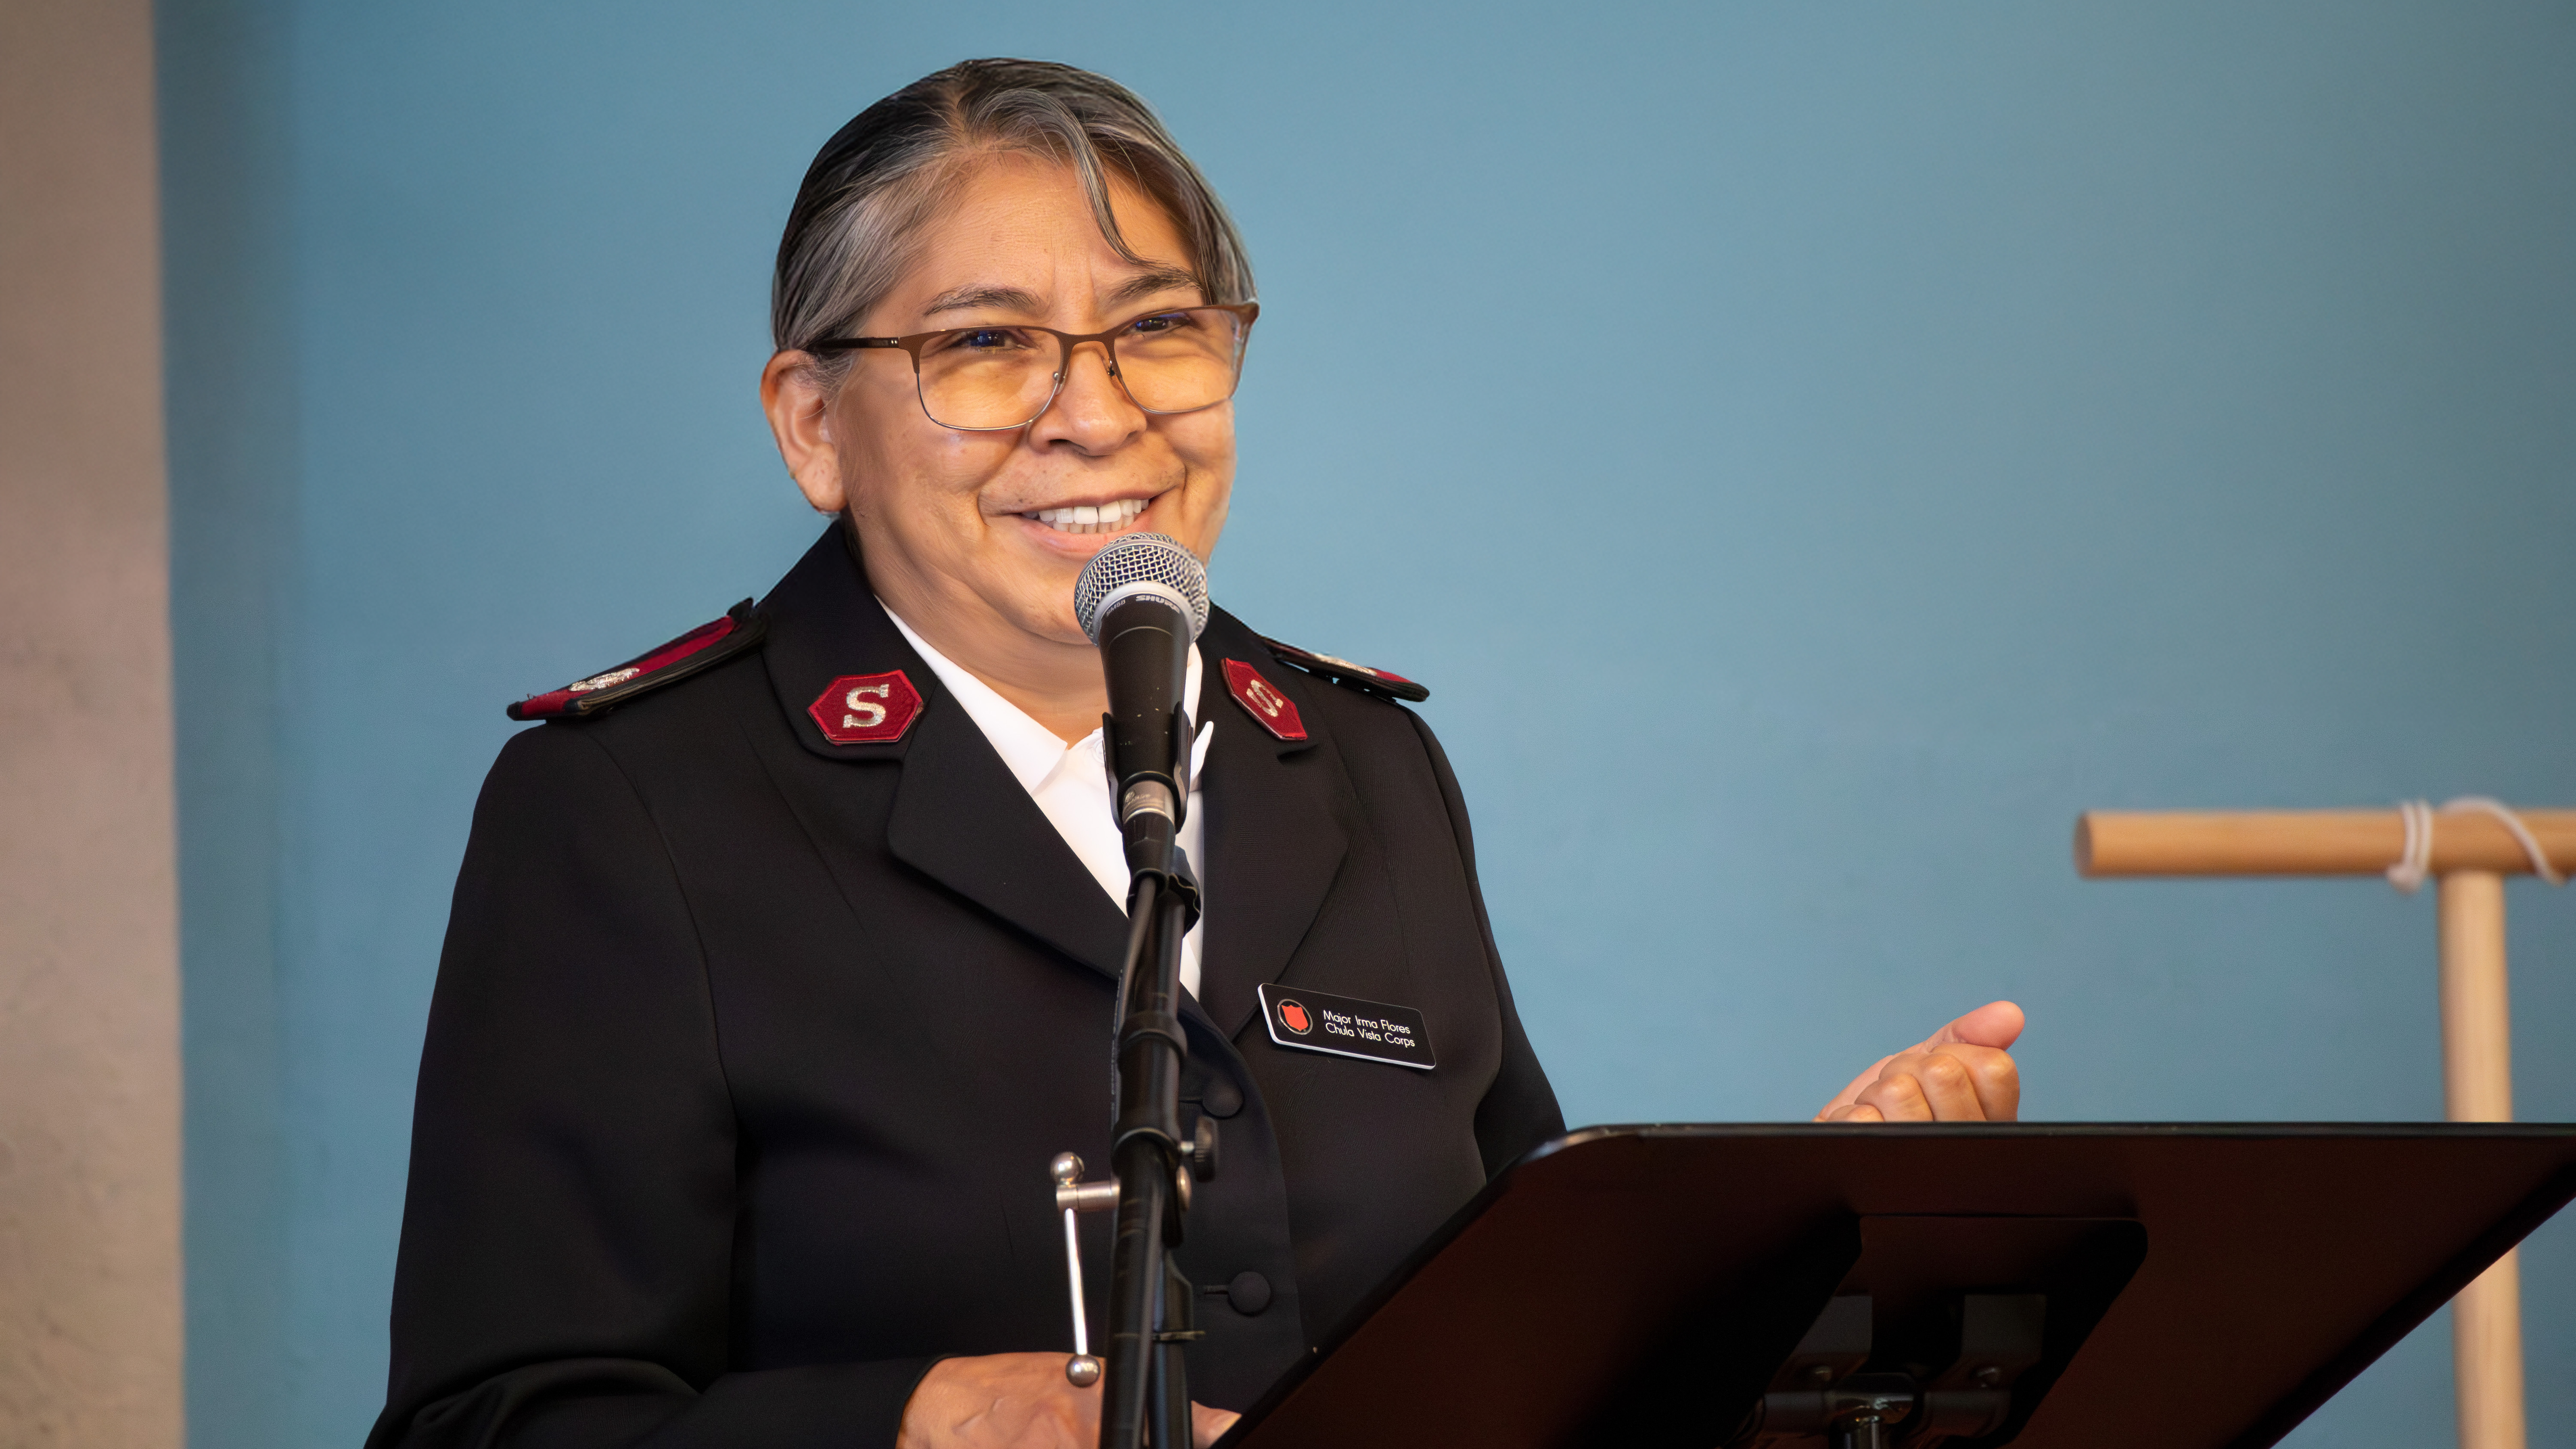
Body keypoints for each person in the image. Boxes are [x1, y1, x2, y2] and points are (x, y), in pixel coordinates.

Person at [365, 58, 2023, 1449]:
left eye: (1157, 327)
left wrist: (1792, 1260)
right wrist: (936, 1420)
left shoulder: (1361, 767)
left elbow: (1519, 1355)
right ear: (814, 425)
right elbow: (495, 1423)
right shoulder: (637, 809)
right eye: (986, 345)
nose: (1096, 414)